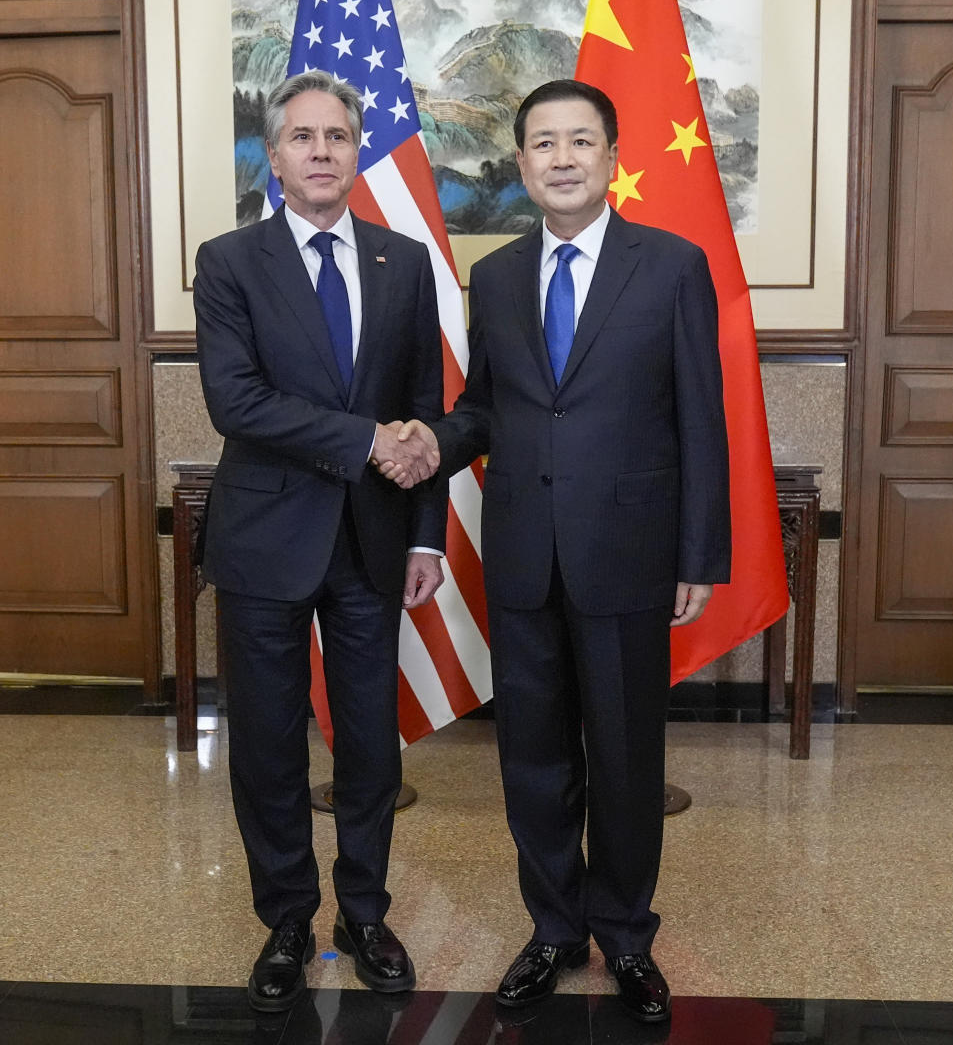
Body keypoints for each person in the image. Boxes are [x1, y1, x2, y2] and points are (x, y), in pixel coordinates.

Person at [385, 79, 730, 1023]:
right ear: (524, 162)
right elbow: (487, 407)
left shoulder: (670, 266)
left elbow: (704, 415)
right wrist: (430, 441)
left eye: (582, 141)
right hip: (526, 556)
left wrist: (701, 550)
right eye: (544, 143)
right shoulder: (494, 276)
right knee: (533, 759)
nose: (564, 158)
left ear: (614, 158)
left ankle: (624, 936)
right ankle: (552, 929)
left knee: (624, 756)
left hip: (629, 551)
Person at [193, 70, 444, 1012]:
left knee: (371, 741)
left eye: (338, 136)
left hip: (374, 543)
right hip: (265, 538)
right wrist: (362, 441)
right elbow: (237, 401)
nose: (322, 152)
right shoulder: (228, 261)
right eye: (303, 138)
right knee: (266, 742)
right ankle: (288, 917)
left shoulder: (401, 261)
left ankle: (364, 914)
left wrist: (426, 538)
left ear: (358, 149)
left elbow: (423, 410)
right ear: (275, 156)